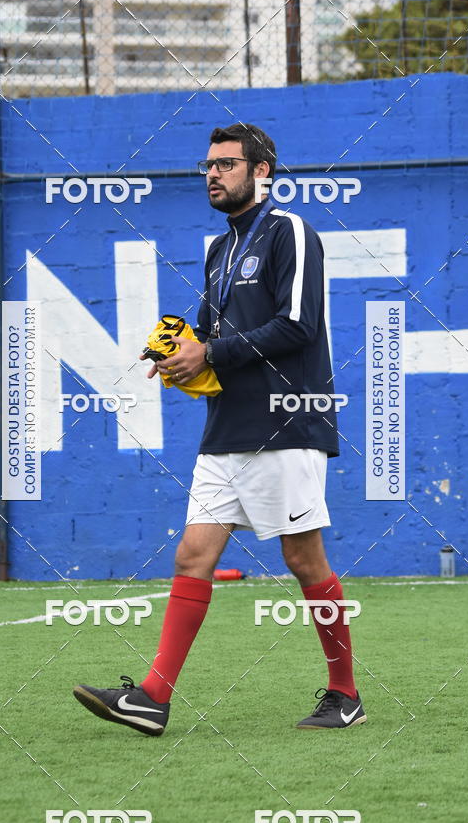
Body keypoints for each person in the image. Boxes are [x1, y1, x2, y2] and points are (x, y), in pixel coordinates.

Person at [73, 123, 365, 734]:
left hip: (285, 421)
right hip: (227, 424)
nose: (212, 173)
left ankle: (345, 693)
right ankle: (153, 697)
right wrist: (178, 352)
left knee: (303, 559)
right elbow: (209, 334)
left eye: (226, 164)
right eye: (207, 165)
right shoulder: (217, 250)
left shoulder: (289, 231)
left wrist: (209, 355)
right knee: (192, 555)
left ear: (261, 171)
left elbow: (298, 325)